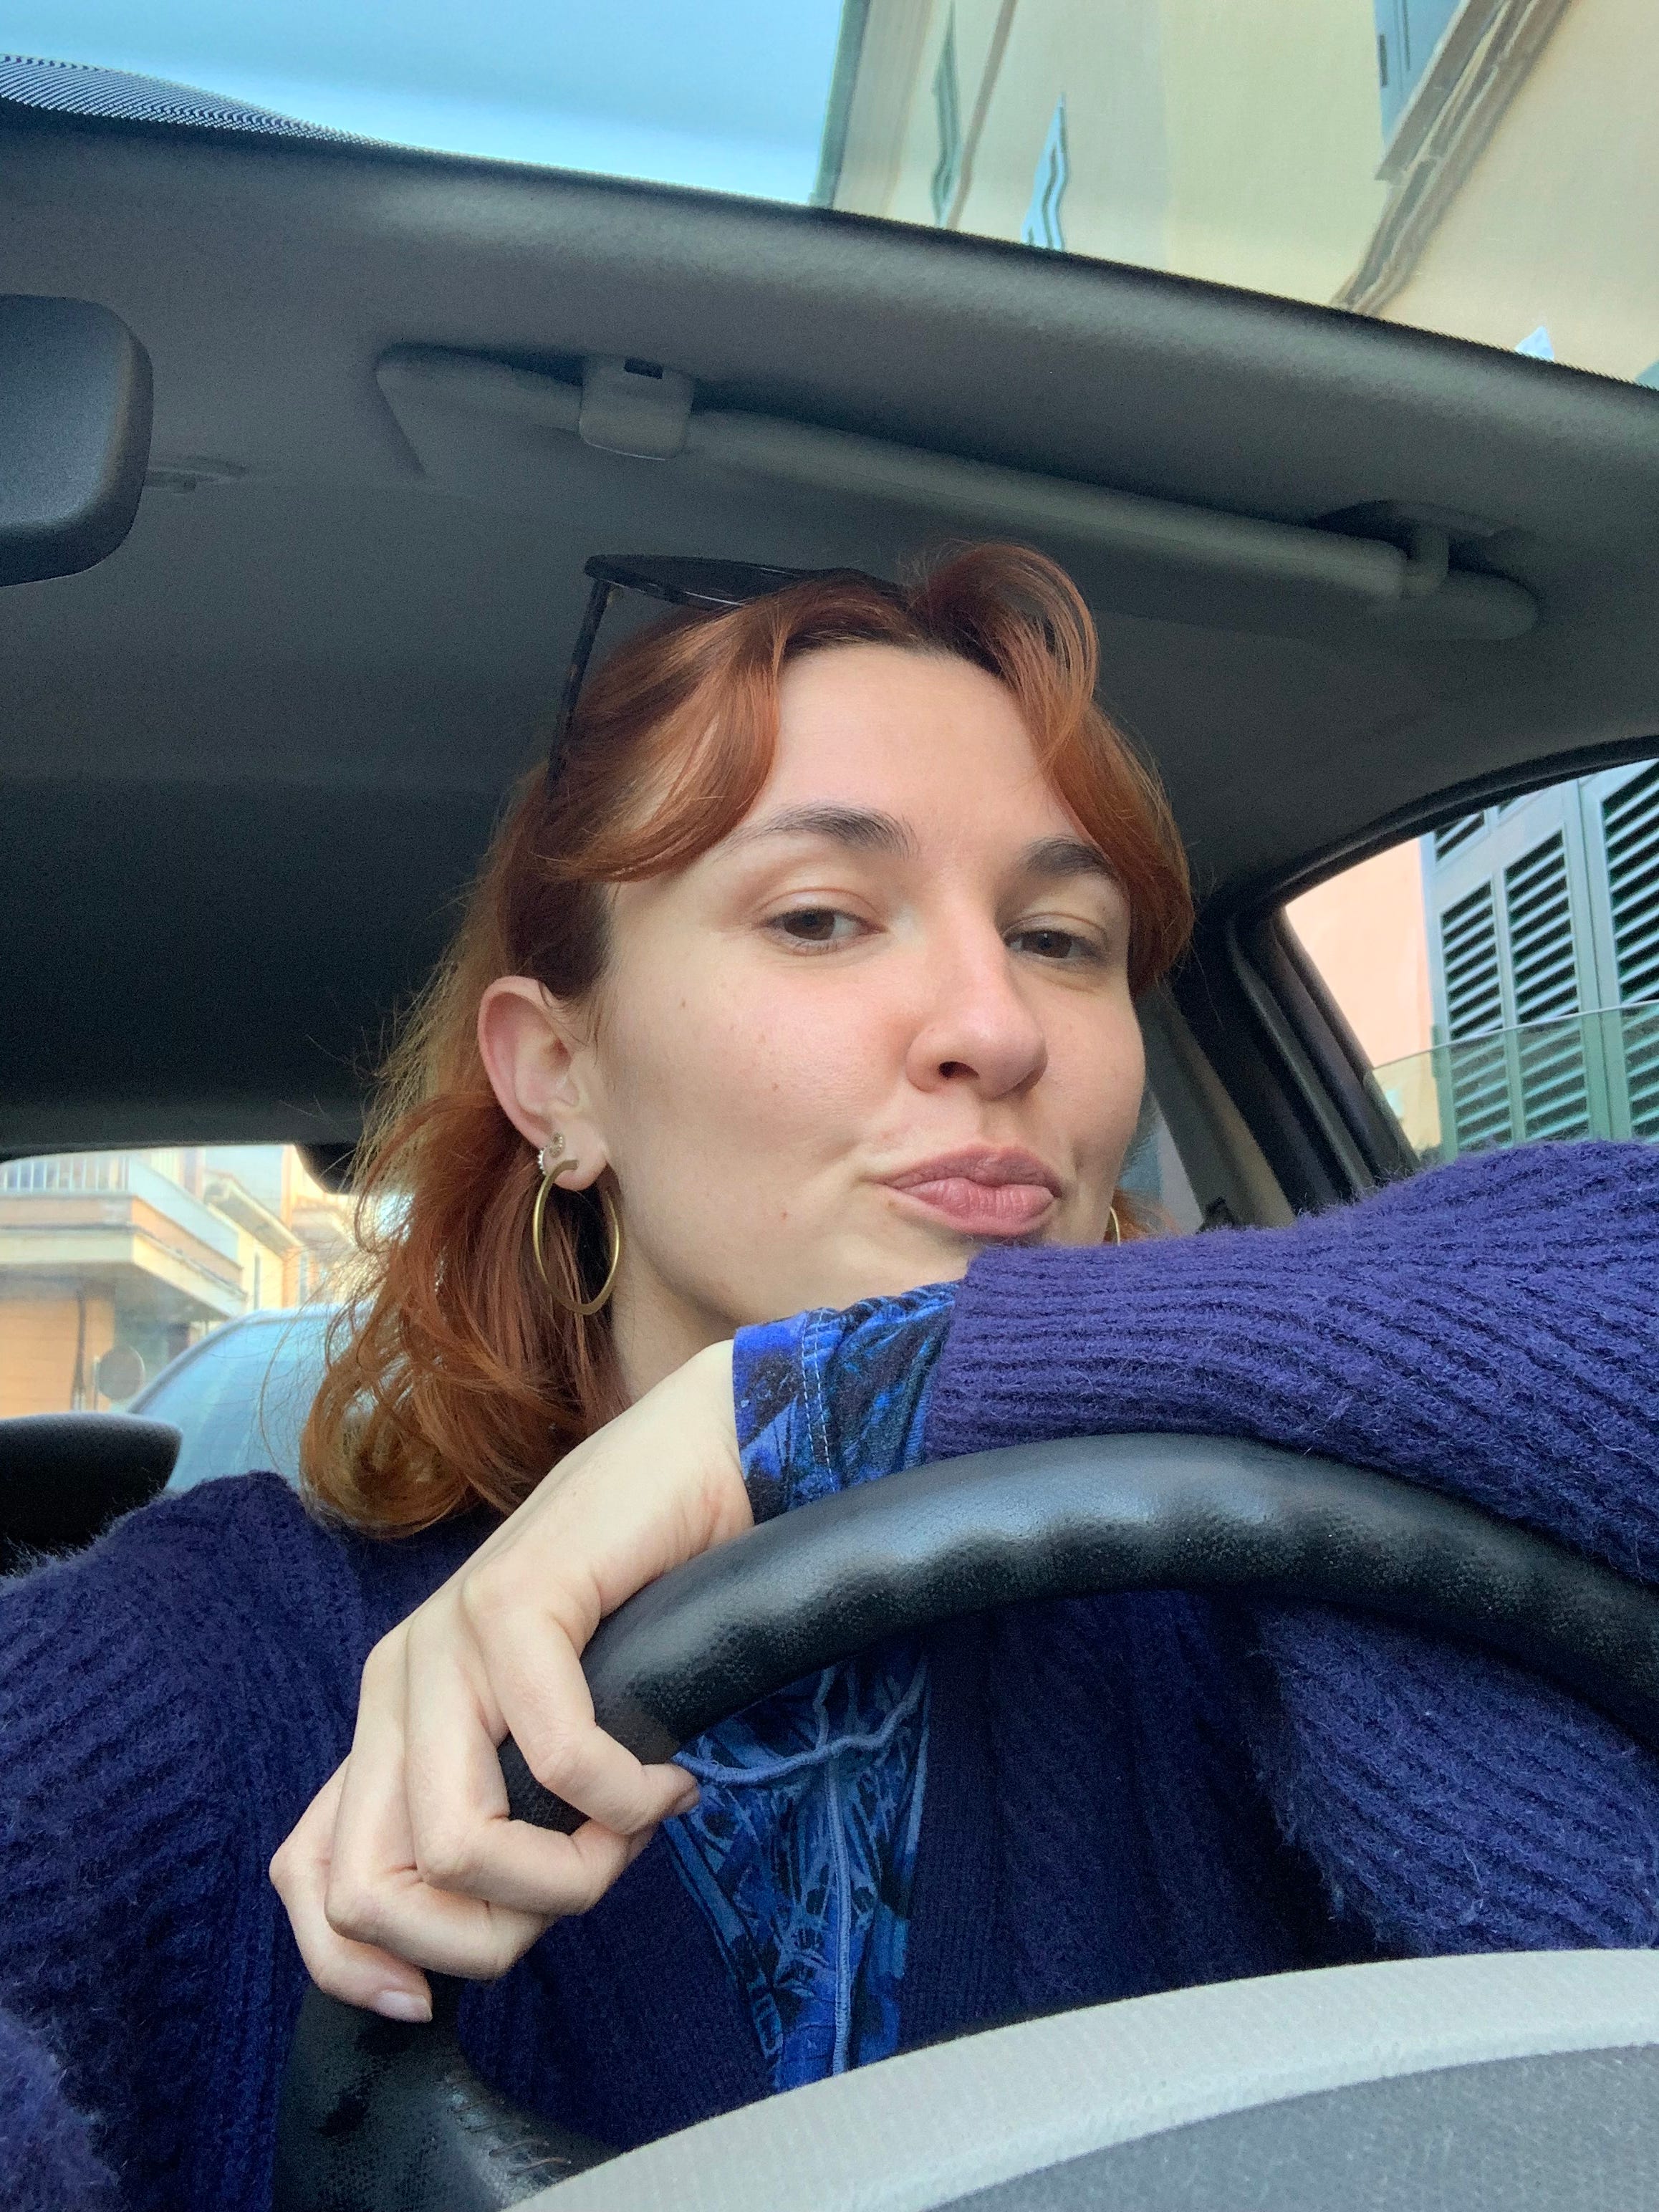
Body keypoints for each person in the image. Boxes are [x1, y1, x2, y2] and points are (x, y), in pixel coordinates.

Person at [2, 546, 1657, 2212]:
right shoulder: (220, 1656)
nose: (997, 1024)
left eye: (1061, 937)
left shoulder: (1277, 1582)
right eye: (819, 917)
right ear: (560, 1076)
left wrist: (809, 1403)